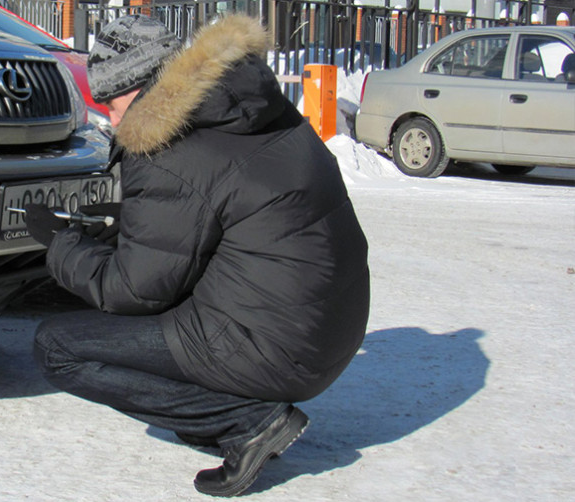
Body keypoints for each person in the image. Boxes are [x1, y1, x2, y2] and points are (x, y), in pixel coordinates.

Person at [23, 14, 370, 497]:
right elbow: (220, 201)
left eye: (113, 101)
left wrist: (62, 245)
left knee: (57, 347)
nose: (112, 119)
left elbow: (130, 292)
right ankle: (218, 409)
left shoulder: (166, 147)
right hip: (331, 335)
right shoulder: (253, 107)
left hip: (275, 351)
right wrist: (116, 216)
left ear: (145, 87)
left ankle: (249, 421)